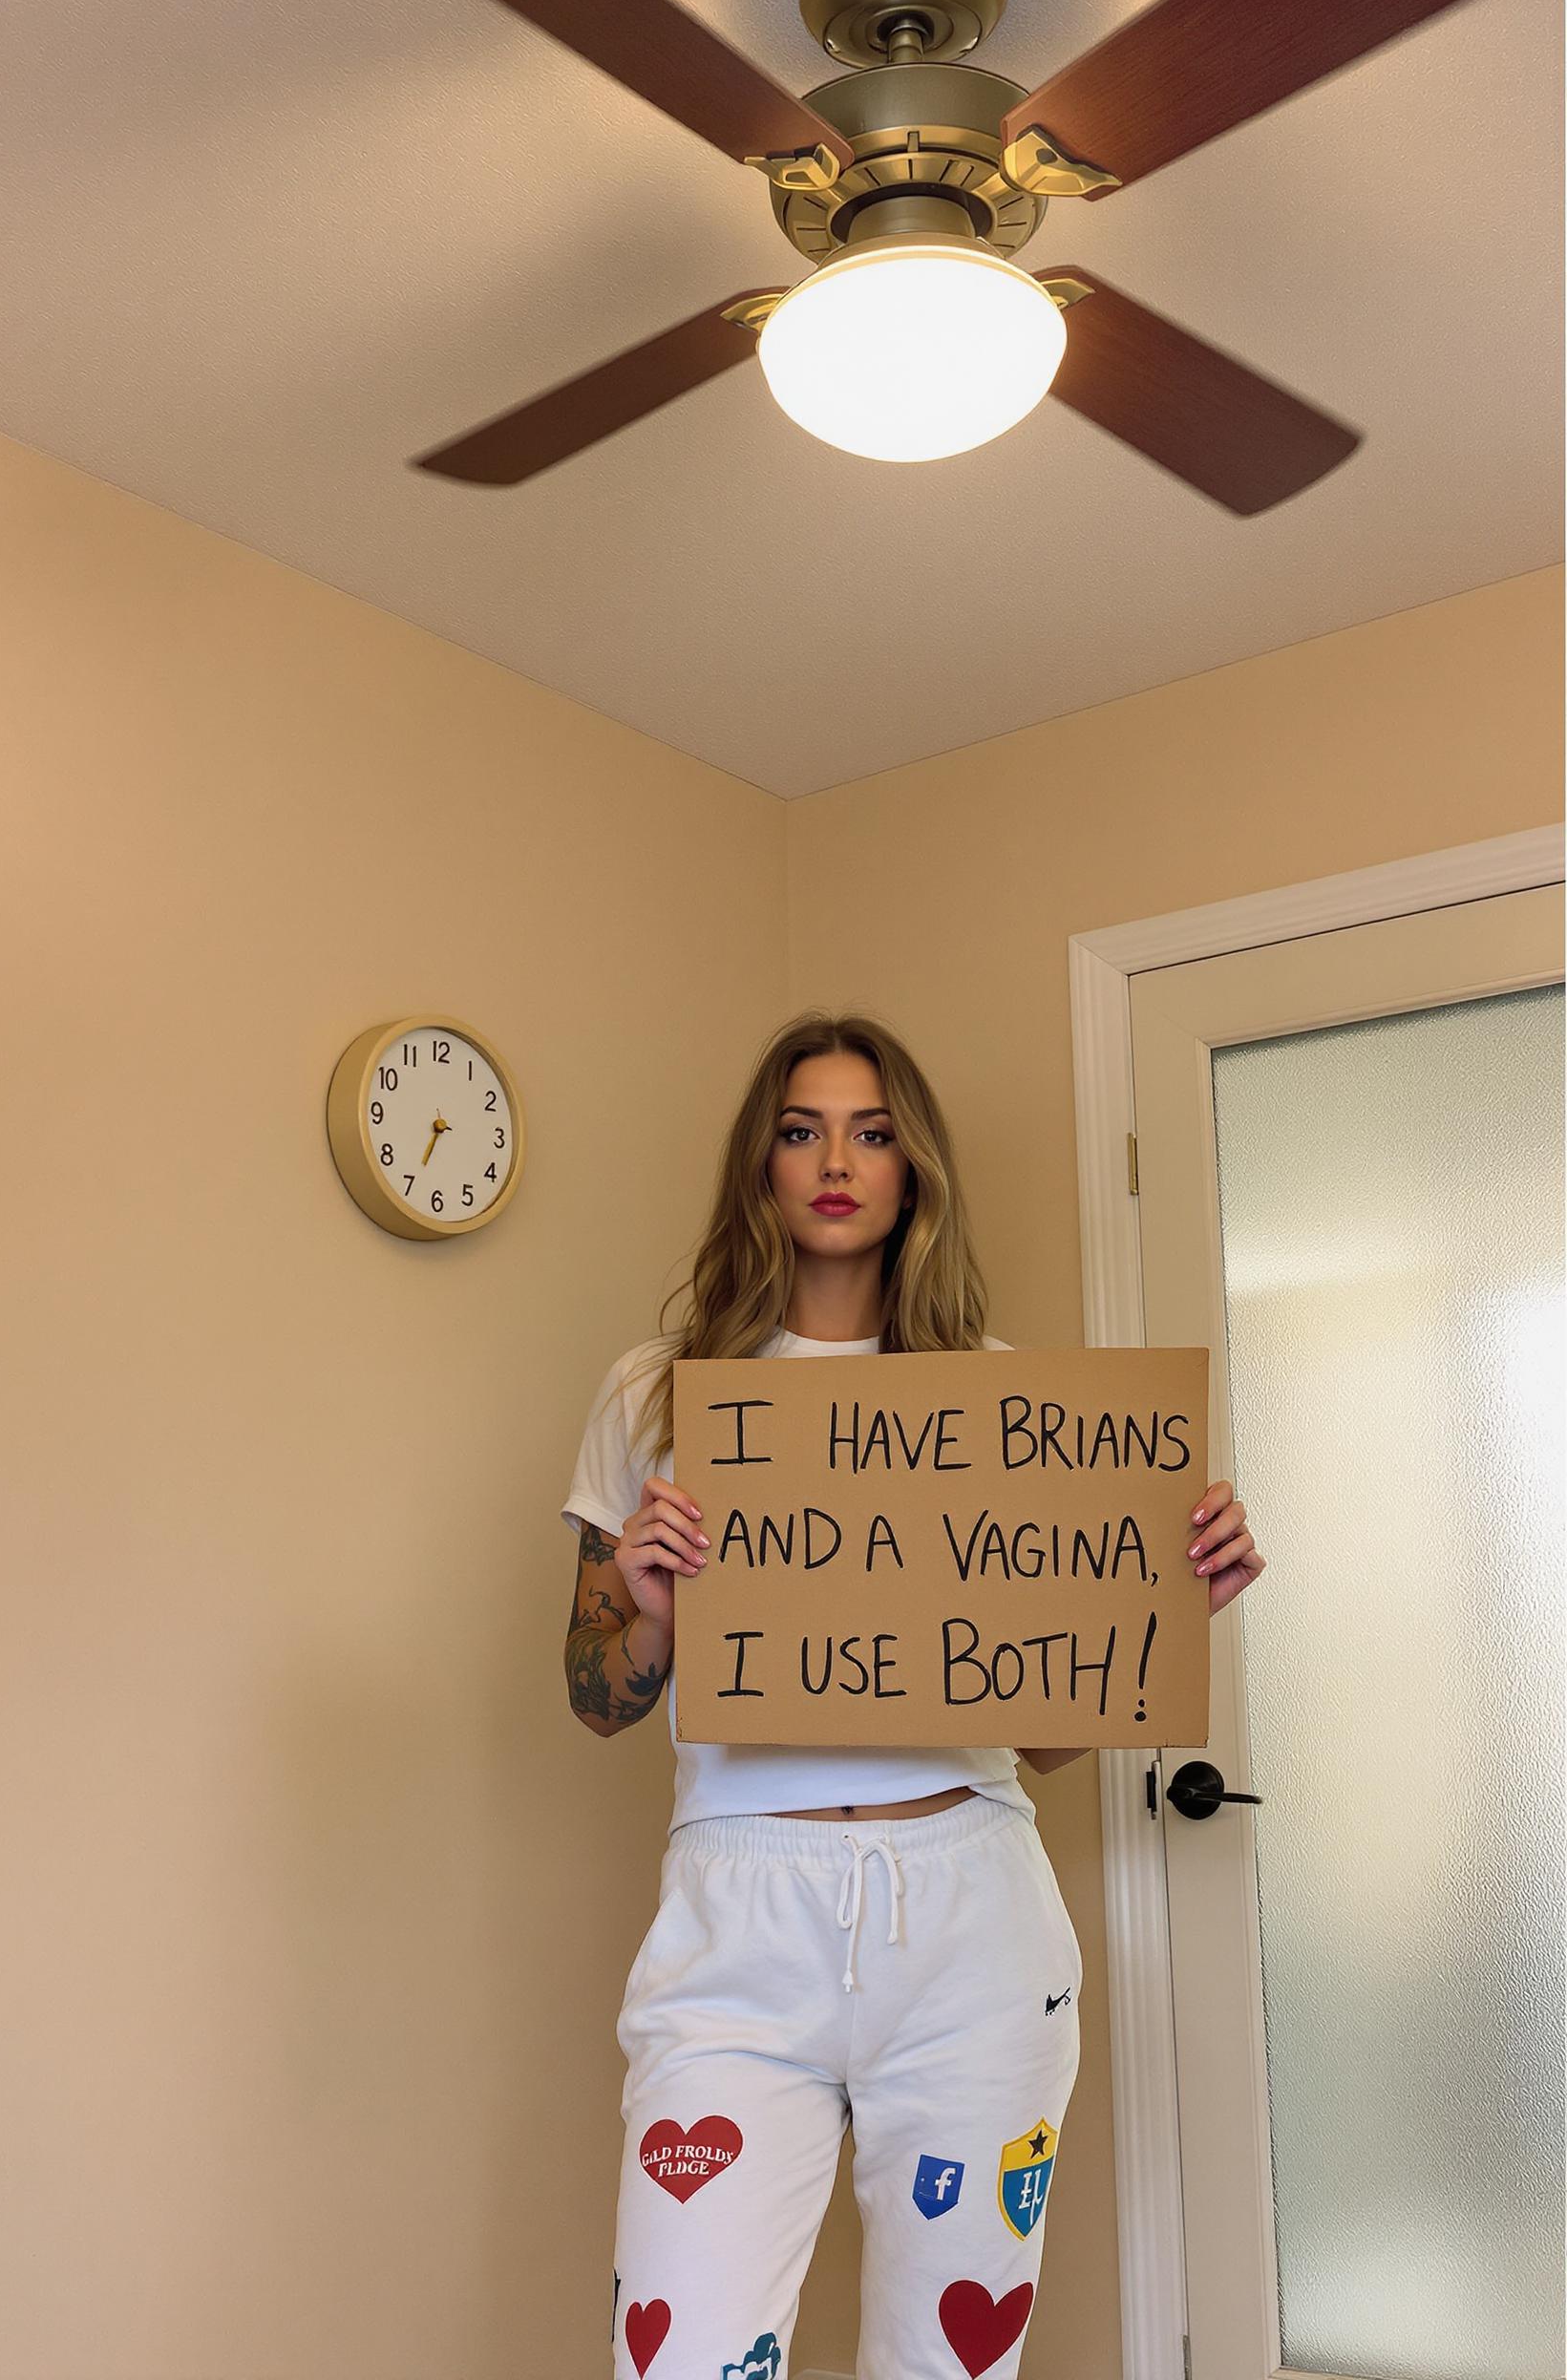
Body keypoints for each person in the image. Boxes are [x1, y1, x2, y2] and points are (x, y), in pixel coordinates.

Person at [561, 1013, 1264, 2380]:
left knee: (952, 2363)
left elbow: (1049, 1734)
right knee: (680, 2353)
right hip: (737, 1921)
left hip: (971, 1917)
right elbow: (594, 1698)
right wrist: (648, 1611)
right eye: (803, 1128)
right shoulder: (658, 1396)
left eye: (874, 1132)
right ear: (759, 1163)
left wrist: (1166, 1604)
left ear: (914, 1168)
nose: (839, 1161)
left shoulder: (997, 1403)